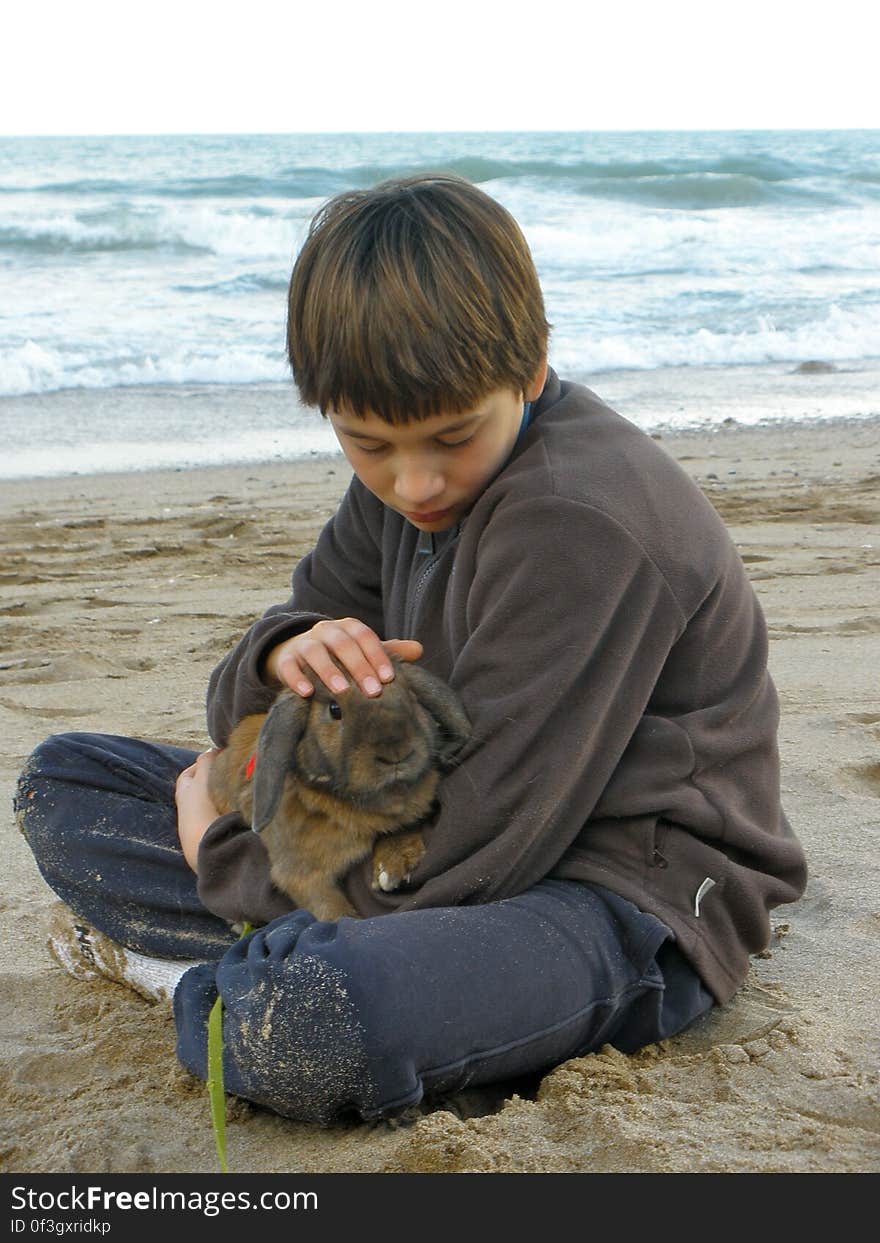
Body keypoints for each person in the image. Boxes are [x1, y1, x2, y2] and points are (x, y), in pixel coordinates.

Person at [15, 174, 807, 1124]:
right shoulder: (399, 488)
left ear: (533, 360)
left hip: (608, 891)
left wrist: (215, 846)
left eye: (452, 436)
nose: (416, 481)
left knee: (305, 1017)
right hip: (405, 844)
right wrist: (283, 654)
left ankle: (211, 971)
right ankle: (259, 952)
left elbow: (470, 856)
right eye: (367, 442)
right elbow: (243, 718)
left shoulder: (580, 520)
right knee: (66, 779)